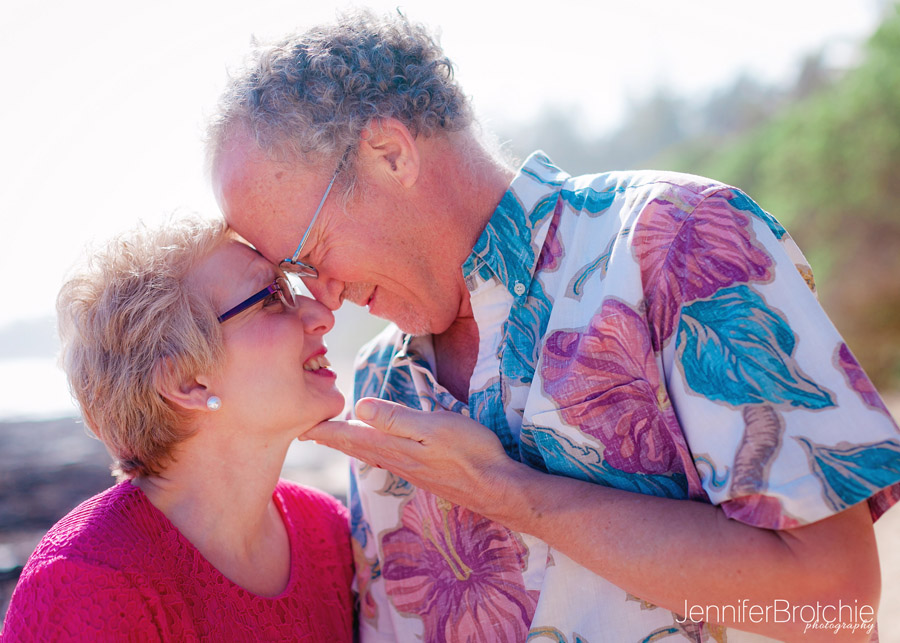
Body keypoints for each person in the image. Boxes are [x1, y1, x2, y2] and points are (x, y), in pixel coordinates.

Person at [207, 10, 900, 641]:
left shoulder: (674, 239)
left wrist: (510, 494)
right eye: (289, 278)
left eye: (309, 255)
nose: (323, 300)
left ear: (391, 153)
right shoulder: (380, 384)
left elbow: (837, 605)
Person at [1, 217, 354, 641]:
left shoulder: (327, 531)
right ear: (187, 382)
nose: (322, 315)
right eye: (272, 297)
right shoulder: (86, 580)